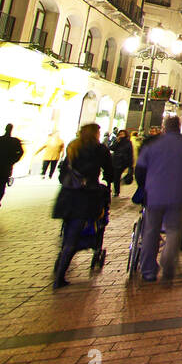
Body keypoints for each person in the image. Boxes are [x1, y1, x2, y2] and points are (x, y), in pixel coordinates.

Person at [133, 116, 182, 282]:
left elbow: (140, 169)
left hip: (154, 194)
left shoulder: (152, 144)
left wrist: (144, 185)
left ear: (164, 127)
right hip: (179, 193)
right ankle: (168, 262)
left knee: (151, 231)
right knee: (174, 230)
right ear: (179, 127)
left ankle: (148, 270)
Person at [52, 123, 114, 290]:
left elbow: (63, 171)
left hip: (67, 195)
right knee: (74, 236)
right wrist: (107, 180)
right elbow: (109, 170)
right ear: (95, 133)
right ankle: (59, 277)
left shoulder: (74, 146)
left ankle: (61, 265)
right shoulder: (99, 149)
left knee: (68, 232)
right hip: (85, 196)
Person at [109, 129, 134, 197]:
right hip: (115, 161)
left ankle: (116, 191)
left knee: (117, 176)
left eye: (122, 134)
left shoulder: (128, 142)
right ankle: (116, 190)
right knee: (115, 176)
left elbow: (130, 153)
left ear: (125, 135)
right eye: (120, 134)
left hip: (123, 162)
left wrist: (130, 164)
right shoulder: (117, 141)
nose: (121, 135)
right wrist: (117, 141)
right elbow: (111, 148)